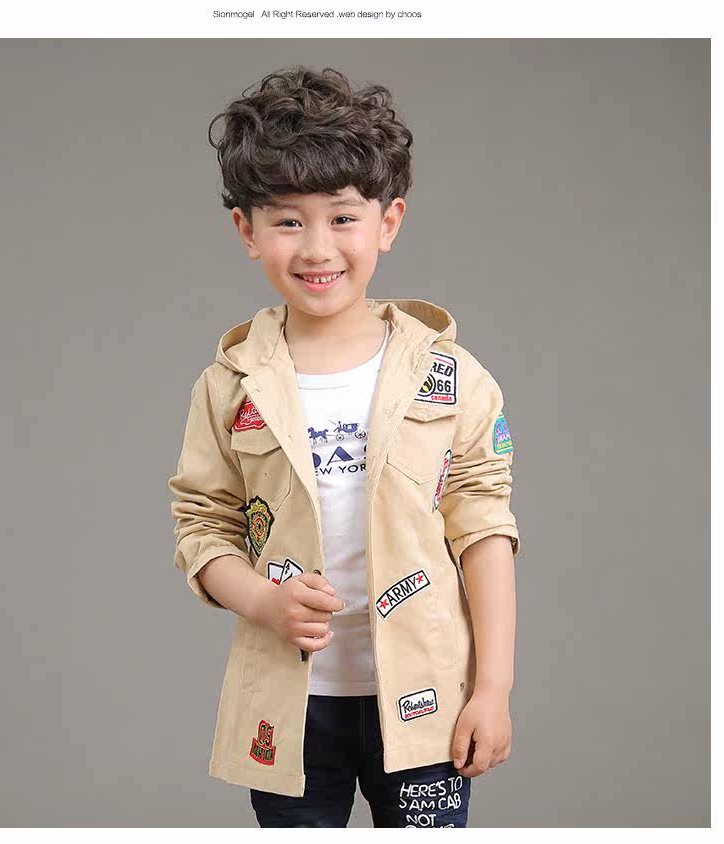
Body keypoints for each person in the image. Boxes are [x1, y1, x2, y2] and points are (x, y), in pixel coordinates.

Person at [168, 65, 521, 828]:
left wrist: (493, 689)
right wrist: (263, 601)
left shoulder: (451, 377)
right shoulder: (228, 386)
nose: (317, 248)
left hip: (428, 705)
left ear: (388, 223)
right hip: (291, 710)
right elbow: (202, 528)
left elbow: (485, 529)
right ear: (247, 231)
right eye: (288, 222)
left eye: (342, 217)